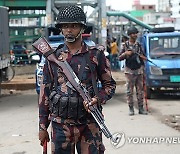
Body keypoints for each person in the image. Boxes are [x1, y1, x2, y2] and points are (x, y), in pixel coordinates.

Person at [38, 5, 116, 154]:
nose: (69, 30)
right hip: (60, 125)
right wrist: (42, 127)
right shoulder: (53, 58)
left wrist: (97, 99)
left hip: (89, 124)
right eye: (65, 26)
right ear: (60, 29)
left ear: (82, 28)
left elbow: (109, 85)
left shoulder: (95, 55)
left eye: (73, 26)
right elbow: (45, 94)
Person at [119, 26, 147, 116]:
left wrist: (143, 62)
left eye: (136, 33)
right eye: (134, 33)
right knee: (129, 91)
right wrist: (125, 54)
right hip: (129, 71)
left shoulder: (139, 45)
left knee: (140, 91)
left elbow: (144, 57)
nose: (135, 35)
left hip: (139, 71)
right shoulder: (125, 45)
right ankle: (131, 108)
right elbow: (119, 58)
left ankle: (141, 108)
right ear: (130, 35)